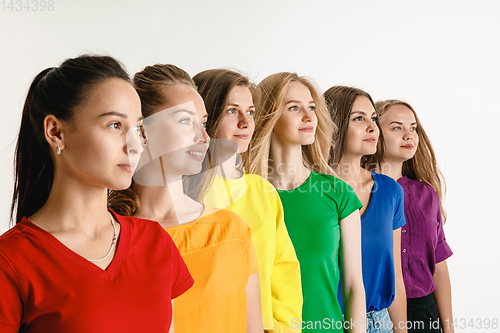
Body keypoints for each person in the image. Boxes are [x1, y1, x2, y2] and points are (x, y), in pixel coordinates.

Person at [0, 55, 193, 333]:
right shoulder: (11, 261)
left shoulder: (155, 242)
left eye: (138, 128)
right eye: (115, 125)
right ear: (56, 132)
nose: (135, 145)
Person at [108, 64, 263, 333]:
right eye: (184, 121)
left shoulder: (232, 230)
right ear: (142, 131)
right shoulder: (107, 236)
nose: (203, 137)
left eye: (202, 123)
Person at [248, 72, 366, 332]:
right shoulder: (246, 196)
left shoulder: (338, 194)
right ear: (269, 116)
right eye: (294, 108)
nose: (308, 116)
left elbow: (353, 286)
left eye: (311, 107)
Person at [193, 68, 303, 332]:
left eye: (250, 112)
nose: (245, 122)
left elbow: (284, 271)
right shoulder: (185, 194)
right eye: (232, 111)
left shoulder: (263, 192)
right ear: (205, 117)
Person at [324, 86, 407, 333]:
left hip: (379, 323)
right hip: (324, 322)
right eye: (359, 118)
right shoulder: (311, 192)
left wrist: (401, 329)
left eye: (373, 118)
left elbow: (396, 275)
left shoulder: (390, 192)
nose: (373, 127)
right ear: (333, 125)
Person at [369, 99, 453, 333]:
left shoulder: (427, 195)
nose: (409, 135)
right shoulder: (358, 192)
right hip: (376, 315)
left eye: (413, 128)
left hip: (425, 314)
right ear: (374, 133)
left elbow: (440, 267)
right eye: (397, 127)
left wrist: (449, 329)